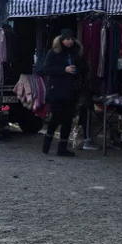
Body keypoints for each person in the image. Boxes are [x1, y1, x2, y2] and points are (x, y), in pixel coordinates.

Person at [41, 29, 86, 157]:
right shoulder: (53, 52)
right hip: (57, 90)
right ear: (62, 39)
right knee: (55, 118)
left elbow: (82, 67)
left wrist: (78, 69)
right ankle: (46, 144)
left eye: (72, 39)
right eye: (68, 39)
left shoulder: (75, 52)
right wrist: (63, 69)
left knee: (67, 120)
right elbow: (46, 69)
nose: (70, 41)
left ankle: (62, 148)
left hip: (71, 91)